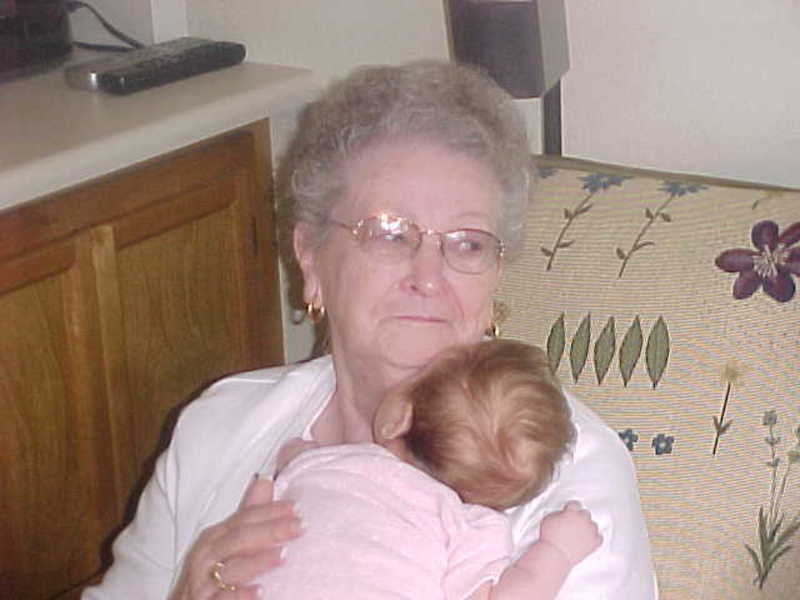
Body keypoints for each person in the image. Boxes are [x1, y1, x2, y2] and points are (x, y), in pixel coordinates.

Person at [82, 59, 655, 600]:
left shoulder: (559, 472)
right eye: (389, 233)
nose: (428, 276)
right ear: (310, 257)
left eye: (467, 244)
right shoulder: (220, 426)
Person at [256, 338, 602, 599]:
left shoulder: (325, 463)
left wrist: (298, 455)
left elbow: (291, 459)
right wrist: (556, 552)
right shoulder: (467, 526)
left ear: (398, 419)